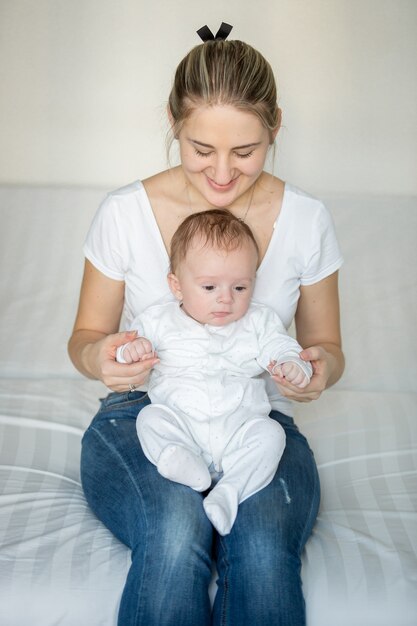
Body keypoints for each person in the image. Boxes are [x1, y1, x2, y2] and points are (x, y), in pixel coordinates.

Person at [68, 22, 344, 626]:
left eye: (245, 152)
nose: (221, 175)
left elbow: (327, 346)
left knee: (266, 552)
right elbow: (84, 340)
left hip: (253, 417)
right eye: (201, 149)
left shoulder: (307, 219)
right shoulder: (123, 214)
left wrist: (317, 372)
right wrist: (105, 357)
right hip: (143, 414)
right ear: (173, 121)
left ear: (274, 125)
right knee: (172, 530)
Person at [115, 209, 313, 536]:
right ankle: (184, 465)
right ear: (176, 286)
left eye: (240, 287)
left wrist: (294, 365)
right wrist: (130, 351)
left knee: (272, 435)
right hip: (182, 427)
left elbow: (282, 347)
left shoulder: (258, 322)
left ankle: (229, 492)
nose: (225, 299)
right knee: (149, 420)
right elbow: (126, 351)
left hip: (240, 428)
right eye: (209, 287)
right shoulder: (158, 321)